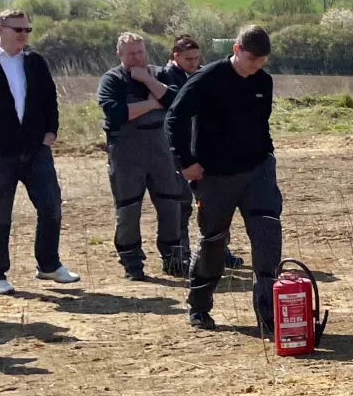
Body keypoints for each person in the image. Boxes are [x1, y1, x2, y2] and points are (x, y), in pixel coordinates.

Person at [167, 25, 282, 334]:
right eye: (251, 59)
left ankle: (268, 313)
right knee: (213, 242)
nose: (256, 66)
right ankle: (199, 307)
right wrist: (186, 163)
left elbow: (261, 124)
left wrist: (267, 157)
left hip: (258, 171)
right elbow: (174, 119)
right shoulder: (206, 80)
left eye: (262, 60)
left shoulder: (263, 82)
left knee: (268, 234)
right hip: (216, 177)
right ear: (236, 50)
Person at [0, 10, 78, 295]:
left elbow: (50, 99)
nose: (24, 34)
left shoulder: (34, 62)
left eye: (27, 30)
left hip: (36, 150)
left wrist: (51, 132)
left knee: (51, 207)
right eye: (18, 29)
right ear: (0, 28)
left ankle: (48, 265)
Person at [98, 32, 190, 281]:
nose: (136, 57)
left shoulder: (159, 73)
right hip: (126, 153)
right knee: (128, 209)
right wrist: (151, 104)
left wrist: (148, 81)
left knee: (171, 204)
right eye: (130, 54)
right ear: (120, 55)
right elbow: (116, 114)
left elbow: (175, 102)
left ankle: (173, 259)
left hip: (161, 149)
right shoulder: (112, 79)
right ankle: (132, 262)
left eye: (140, 52)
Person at [157, 34, 242, 270]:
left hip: (204, 149)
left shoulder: (205, 74)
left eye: (196, 58)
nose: (193, 63)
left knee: (215, 204)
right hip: (176, 149)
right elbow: (171, 104)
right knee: (180, 206)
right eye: (188, 58)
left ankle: (220, 250)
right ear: (175, 56)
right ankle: (179, 255)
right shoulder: (164, 76)